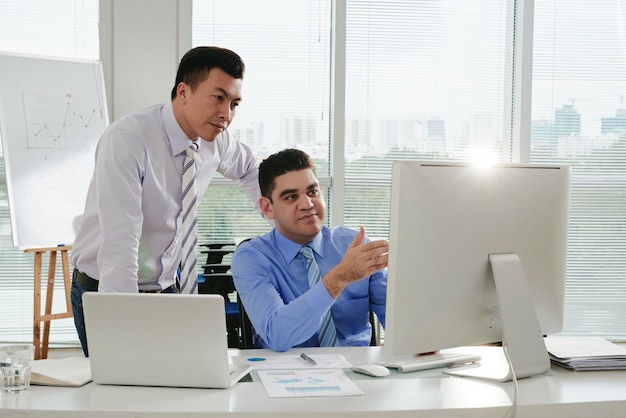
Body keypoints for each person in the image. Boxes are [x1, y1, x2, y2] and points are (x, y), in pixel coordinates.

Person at [70, 46, 263, 356]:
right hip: (106, 287)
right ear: (183, 92)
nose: (226, 114)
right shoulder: (129, 140)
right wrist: (121, 330)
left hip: (167, 287)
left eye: (234, 103)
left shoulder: (217, 141)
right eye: (218, 98)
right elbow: (120, 246)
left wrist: (281, 217)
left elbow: (253, 171)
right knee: (123, 390)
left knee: (171, 389)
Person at [232, 148, 388, 351]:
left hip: (356, 370)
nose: (307, 204)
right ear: (267, 207)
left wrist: (420, 339)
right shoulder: (252, 258)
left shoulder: (354, 245)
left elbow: (398, 322)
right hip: (284, 374)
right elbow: (277, 335)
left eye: (312, 192)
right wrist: (339, 278)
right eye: (290, 197)